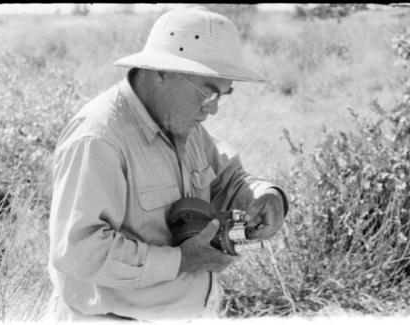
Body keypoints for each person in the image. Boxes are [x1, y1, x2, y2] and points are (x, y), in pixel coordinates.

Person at [46, 7, 288, 322]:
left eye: (223, 94)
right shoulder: (98, 138)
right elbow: (79, 251)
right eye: (207, 92)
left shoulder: (182, 124)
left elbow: (229, 181)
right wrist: (180, 261)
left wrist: (265, 196)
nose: (213, 109)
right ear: (161, 72)